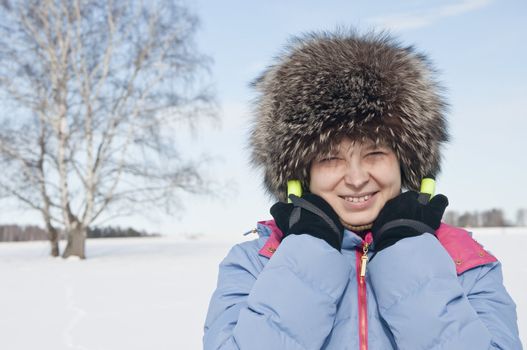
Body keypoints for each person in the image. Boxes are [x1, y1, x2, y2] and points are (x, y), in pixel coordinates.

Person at [203, 29, 522, 349]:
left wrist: (407, 252)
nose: (356, 178)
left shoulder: (465, 261)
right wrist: (309, 251)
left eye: (375, 153)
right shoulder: (255, 263)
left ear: (406, 163)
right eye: (330, 158)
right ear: (299, 173)